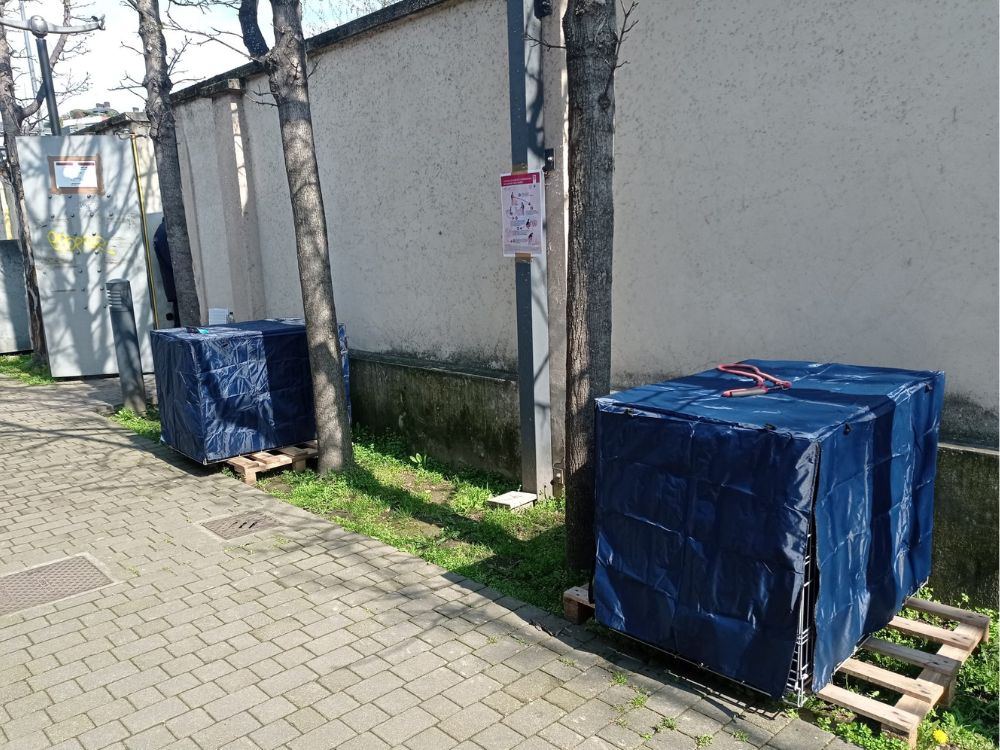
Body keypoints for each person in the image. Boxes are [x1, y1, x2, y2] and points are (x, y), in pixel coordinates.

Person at [153, 218, 179, 325]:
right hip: (176, 286)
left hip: (173, 287)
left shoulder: (161, 231)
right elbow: (174, 262)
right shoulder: (165, 231)